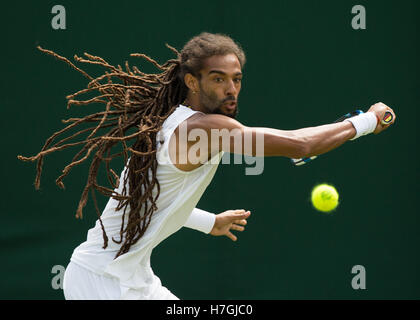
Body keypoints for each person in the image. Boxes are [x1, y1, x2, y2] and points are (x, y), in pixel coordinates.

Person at [18, 32, 396, 300]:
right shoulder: (206, 129)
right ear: (191, 81)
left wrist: (207, 221)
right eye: (218, 79)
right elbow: (301, 145)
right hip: (100, 285)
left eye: (237, 79)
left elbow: (149, 199)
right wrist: (367, 121)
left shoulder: (172, 122)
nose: (231, 89)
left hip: (131, 280)